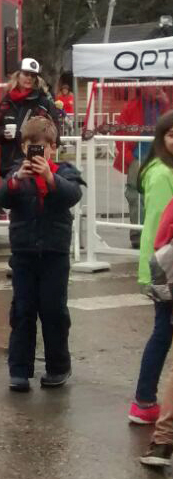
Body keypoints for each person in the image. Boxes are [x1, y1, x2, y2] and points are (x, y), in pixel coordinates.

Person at [0, 116, 84, 392]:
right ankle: (19, 370)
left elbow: (72, 194)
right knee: (22, 311)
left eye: (43, 147)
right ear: (23, 148)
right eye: (31, 147)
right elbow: (0, 199)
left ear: (53, 148)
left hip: (54, 253)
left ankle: (58, 366)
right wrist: (16, 180)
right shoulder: (16, 172)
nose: (37, 152)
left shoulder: (65, 171)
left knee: (54, 311)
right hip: (24, 252)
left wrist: (49, 177)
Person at [129, 110, 173, 426]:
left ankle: (145, 401)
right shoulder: (161, 174)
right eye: (171, 135)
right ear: (161, 138)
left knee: (163, 332)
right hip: (166, 267)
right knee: (162, 332)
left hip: (164, 265)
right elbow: (162, 227)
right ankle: (144, 401)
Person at [114, 86, 170, 248]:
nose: (155, 86)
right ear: (143, 87)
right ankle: (137, 234)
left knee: (164, 194)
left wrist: (166, 104)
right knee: (134, 195)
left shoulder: (167, 105)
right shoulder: (131, 107)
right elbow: (119, 133)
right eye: (150, 82)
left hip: (163, 156)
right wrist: (129, 158)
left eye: (157, 82)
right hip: (138, 157)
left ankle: (162, 233)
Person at [0, 58, 61, 179]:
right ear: (17, 75)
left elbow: (56, 137)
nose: (29, 78)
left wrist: (40, 141)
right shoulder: (6, 102)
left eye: (33, 75)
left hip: (36, 167)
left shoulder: (44, 103)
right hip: (9, 169)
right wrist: (2, 133)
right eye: (26, 74)